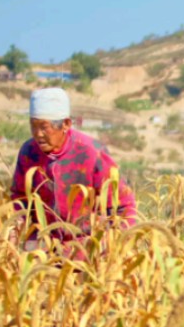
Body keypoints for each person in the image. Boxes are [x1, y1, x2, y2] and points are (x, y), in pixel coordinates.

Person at [10, 87, 137, 250]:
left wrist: (111, 247)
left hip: (87, 248)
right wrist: (14, 231)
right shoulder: (29, 152)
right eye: (33, 126)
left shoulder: (92, 152)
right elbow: (19, 200)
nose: (38, 134)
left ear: (66, 124)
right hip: (42, 248)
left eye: (44, 127)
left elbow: (124, 206)